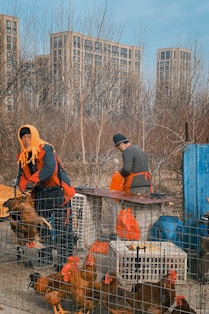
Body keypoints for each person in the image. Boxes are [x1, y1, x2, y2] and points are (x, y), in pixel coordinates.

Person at [17, 124, 76, 270]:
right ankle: (45, 258)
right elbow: (21, 177)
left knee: (63, 229)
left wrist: (31, 182)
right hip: (41, 195)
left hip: (59, 193)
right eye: (23, 137)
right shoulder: (23, 156)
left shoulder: (46, 149)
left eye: (28, 136)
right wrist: (24, 189)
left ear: (34, 136)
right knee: (42, 228)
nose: (26, 140)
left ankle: (64, 261)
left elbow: (50, 168)